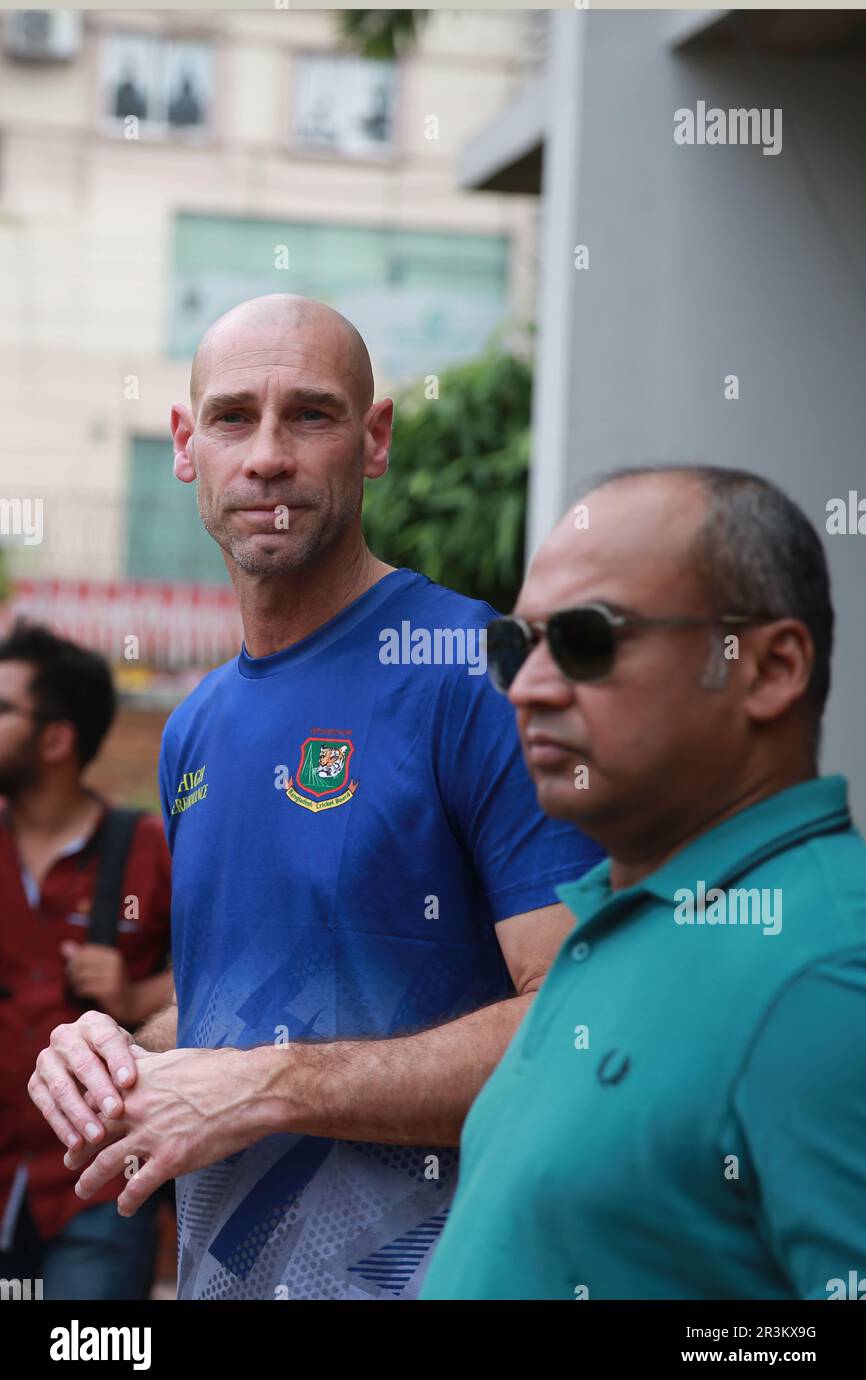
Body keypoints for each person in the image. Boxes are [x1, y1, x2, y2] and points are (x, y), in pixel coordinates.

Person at [28, 295, 603, 1300]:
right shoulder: (193, 725)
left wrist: (269, 1086)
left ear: (373, 439)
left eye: (310, 415)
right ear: (184, 444)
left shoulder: (476, 675)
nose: (266, 457)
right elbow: (242, 1023)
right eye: (232, 416)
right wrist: (117, 1053)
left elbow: (580, 1025)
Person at [421, 464, 866, 1300]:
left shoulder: (827, 971)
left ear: (769, 669)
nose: (531, 689)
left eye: (589, 640)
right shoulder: (616, 915)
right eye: (515, 648)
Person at [0, 622, 173, 1298]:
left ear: (56, 739)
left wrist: (135, 999)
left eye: (3, 707)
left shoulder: (147, 850)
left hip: (96, 1190)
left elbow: (222, 970)